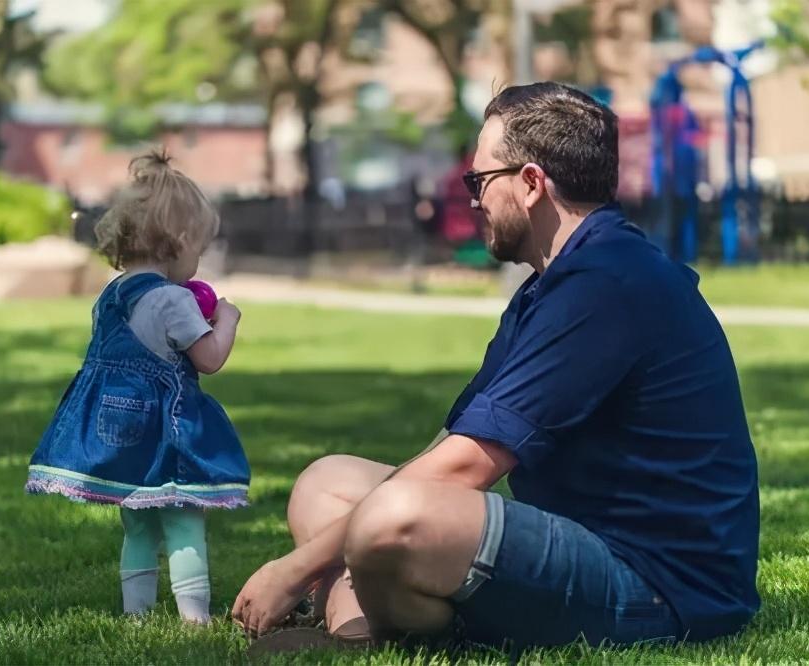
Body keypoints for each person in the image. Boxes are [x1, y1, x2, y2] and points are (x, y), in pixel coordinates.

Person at [232, 82, 760, 651]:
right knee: (326, 485)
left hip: (661, 588)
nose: (473, 199)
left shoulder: (608, 284)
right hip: (587, 542)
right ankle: (357, 635)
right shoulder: (553, 284)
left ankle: (402, 624)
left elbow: (467, 468)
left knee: (394, 517)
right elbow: (452, 442)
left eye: (480, 181)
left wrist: (295, 570)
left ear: (531, 183)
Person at [26, 150, 250, 624]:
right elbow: (209, 359)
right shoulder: (173, 300)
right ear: (180, 240)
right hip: (164, 437)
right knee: (185, 518)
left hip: (118, 431)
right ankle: (195, 619)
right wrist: (226, 320)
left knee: (140, 526)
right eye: (200, 250)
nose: (200, 260)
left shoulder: (111, 294)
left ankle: (138, 616)